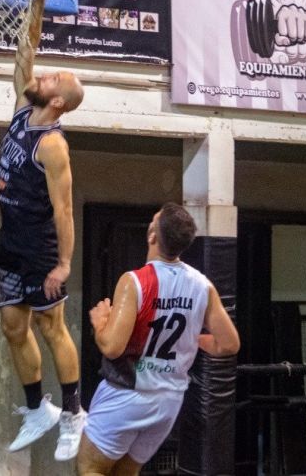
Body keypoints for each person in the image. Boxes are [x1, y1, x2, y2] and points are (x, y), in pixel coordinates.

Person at [0, 0, 87, 461]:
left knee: (52, 327)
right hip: (10, 239)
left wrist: (64, 264)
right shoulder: (21, 108)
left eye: (52, 79)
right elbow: (24, 50)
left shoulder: (52, 145)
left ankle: (73, 413)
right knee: (13, 326)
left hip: (40, 246)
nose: (43, 74)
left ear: (57, 101)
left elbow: (64, 209)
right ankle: (39, 410)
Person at [77, 203, 241, 476]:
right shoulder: (203, 285)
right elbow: (229, 344)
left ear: (152, 235)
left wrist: (100, 324)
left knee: (90, 467)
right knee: (126, 472)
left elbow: (112, 347)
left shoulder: (134, 281)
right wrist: (193, 340)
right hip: (168, 401)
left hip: (127, 393)